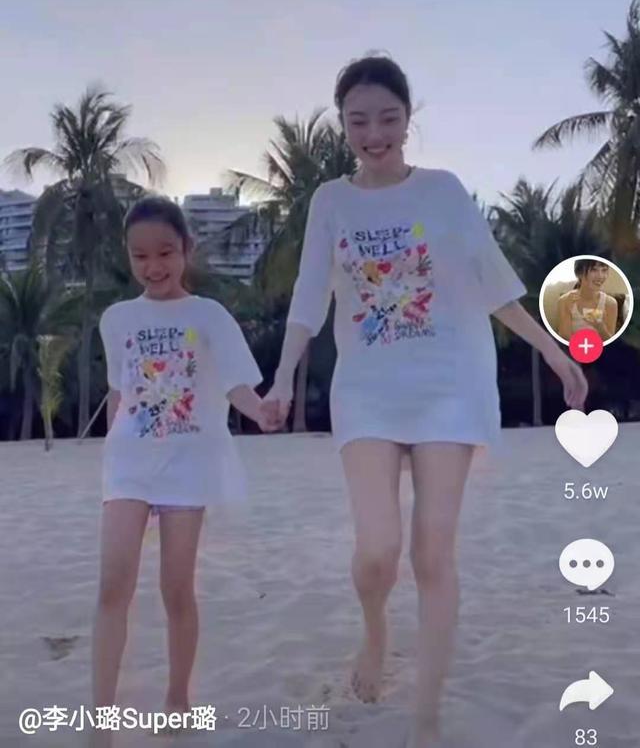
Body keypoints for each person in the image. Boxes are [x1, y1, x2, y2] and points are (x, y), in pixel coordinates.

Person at [262, 55, 588, 748]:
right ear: (343, 125)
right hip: (368, 391)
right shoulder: (330, 201)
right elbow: (309, 297)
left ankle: (427, 720)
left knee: (433, 553)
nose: (374, 134)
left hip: (448, 385)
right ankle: (375, 632)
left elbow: (494, 281)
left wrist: (554, 351)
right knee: (378, 551)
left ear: (409, 120)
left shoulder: (443, 191)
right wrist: (283, 374)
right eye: (358, 122)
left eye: (388, 118)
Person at [92, 196, 275, 745]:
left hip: (187, 465)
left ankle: (178, 698)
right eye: (140, 256)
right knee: (113, 584)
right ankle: (101, 720)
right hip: (129, 463)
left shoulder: (208, 315)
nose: (154, 266)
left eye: (165, 252)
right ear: (128, 257)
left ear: (186, 250)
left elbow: (236, 385)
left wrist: (261, 411)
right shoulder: (116, 320)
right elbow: (120, 393)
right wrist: (112, 449)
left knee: (176, 587)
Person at [557, 259, 618, 341]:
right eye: (593, 270)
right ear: (579, 273)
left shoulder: (610, 303)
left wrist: (601, 328)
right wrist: (567, 310)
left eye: (604, 270)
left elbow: (611, 343)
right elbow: (564, 339)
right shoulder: (564, 300)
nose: (600, 276)